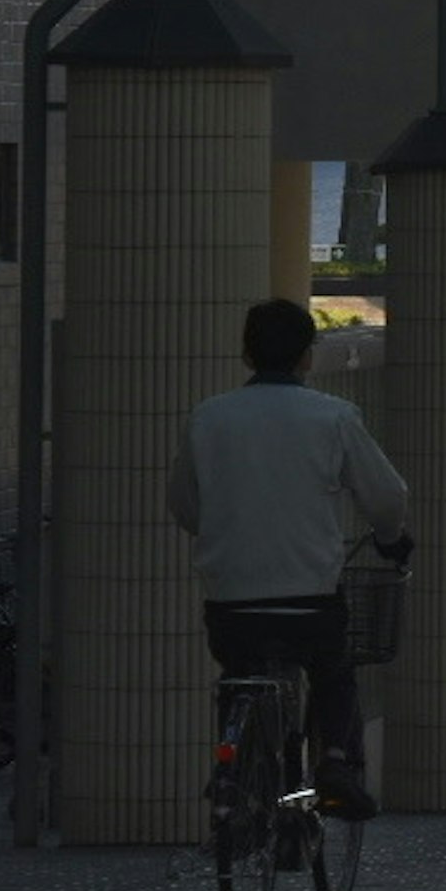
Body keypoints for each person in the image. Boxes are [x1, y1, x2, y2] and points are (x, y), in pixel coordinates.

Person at [166, 298, 412, 818]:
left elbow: (185, 505)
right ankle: (337, 764)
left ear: (246, 353)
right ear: (307, 356)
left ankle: (232, 770)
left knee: (240, 673)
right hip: (309, 599)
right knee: (332, 670)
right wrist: (390, 537)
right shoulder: (333, 417)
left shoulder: (209, 418)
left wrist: (222, 534)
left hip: (230, 599)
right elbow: (387, 496)